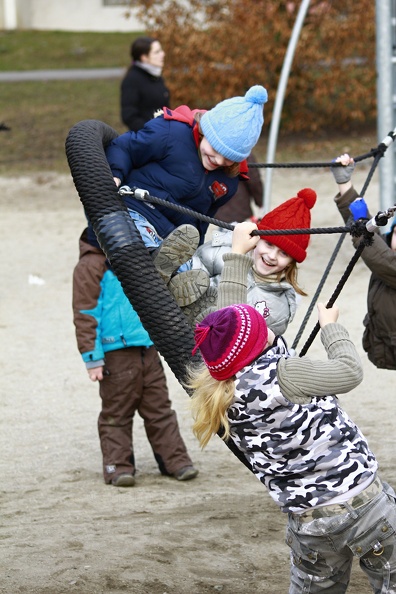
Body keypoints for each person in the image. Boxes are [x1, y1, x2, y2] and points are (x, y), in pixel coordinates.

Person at [187, 302, 396, 592]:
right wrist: (330, 328)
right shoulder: (285, 374)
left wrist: (238, 258)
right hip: (367, 506)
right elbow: (349, 372)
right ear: (258, 342)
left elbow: (226, 330)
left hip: (310, 523)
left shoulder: (224, 394)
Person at [72, 228, 198, 487]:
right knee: (116, 413)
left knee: (160, 409)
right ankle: (118, 467)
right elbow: (85, 313)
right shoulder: (90, 266)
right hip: (114, 354)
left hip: (148, 347)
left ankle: (176, 461)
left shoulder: (135, 259)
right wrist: (92, 358)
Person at [169, 188, 316, 332]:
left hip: (223, 346)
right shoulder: (223, 252)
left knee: (230, 319)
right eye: (269, 244)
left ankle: (209, 319)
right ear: (257, 239)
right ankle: (167, 266)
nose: (272, 256)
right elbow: (197, 268)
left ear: (291, 261)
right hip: (182, 320)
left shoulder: (280, 304)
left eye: (283, 253)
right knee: (189, 272)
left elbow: (262, 340)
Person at [331, 154, 396, 370]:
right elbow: (368, 232)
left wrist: (361, 224)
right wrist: (345, 184)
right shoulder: (386, 250)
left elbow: (379, 256)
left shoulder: (388, 263)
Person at [120, 36, 171, 132]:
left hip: (163, 135)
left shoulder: (155, 76)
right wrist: (151, 132)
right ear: (144, 57)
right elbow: (129, 116)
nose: (163, 54)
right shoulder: (132, 80)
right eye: (157, 52)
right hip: (146, 140)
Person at [214, 152, 264, 223]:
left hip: (219, 209)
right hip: (238, 209)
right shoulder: (244, 153)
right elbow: (254, 181)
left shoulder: (216, 148)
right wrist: (261, 202)